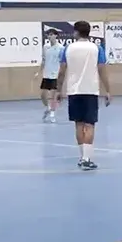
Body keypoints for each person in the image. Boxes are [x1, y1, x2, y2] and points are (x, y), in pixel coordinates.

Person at [57, 21, 110, 171]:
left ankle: (82, 157)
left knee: (79, 125)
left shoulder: (68, 48)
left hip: (74, 91)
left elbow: (61, 72)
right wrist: (108, 90)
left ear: (76, 32)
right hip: (91, 91)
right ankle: (87, 158)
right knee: (90, 125)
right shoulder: (97, 48)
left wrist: (58, 90)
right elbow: (102, 70)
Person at [37, 29, 64, 122]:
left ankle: (52, 113)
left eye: (51, 34)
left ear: (56, 36)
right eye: (48, 35)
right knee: (42, 95)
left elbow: (62, 62)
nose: (49, 36)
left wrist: (61, 74)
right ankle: (48, 108)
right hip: (46, 74)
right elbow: (43, 60)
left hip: (55, 74)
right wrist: (39, 72)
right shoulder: (45, 47)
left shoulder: (61, 48)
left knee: (53, 95)